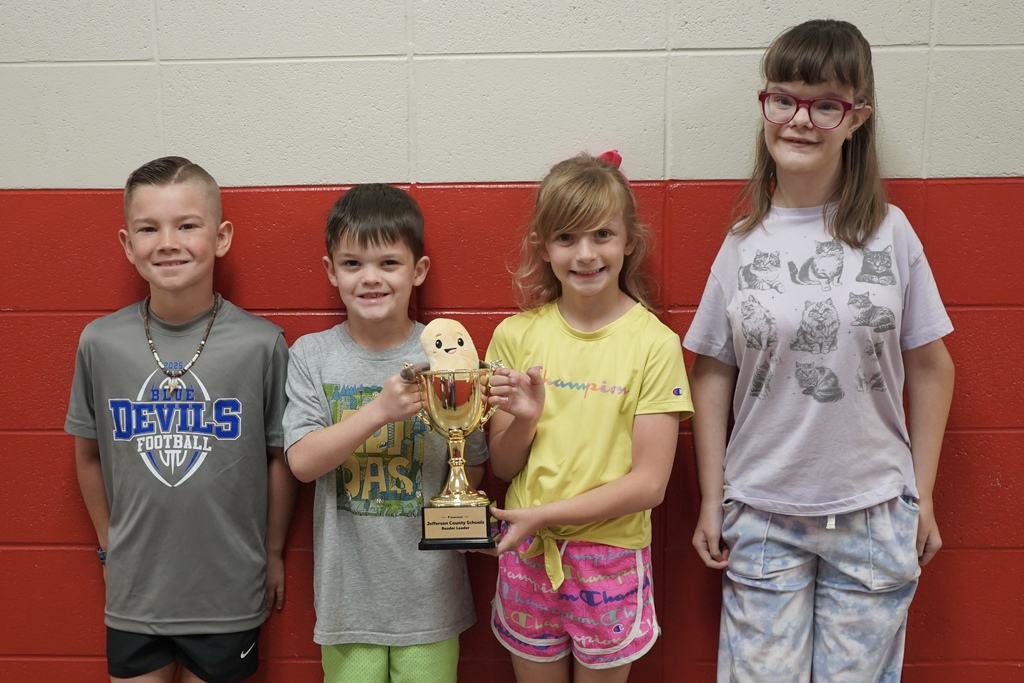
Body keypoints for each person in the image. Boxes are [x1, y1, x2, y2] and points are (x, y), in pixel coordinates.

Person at [683, 19, 956, 682]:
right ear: (766, 106)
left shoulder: (891, 234)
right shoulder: (743, 242)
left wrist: (920, 494)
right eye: (785, 98)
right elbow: (712, 371)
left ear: (856, 117)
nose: (800, 119)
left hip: (873, 515)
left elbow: (931, 365)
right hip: (763, 516)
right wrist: (711, 497)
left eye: (825, 103)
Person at [66, 156, 297, 683]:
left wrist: (274, 550)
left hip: (229, 590)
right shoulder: (100, 343)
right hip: (135, 593)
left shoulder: (262, 344)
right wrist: (111, 545)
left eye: (187, 225)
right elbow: (87, 453)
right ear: (128, 244)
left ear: (221, 237)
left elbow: (281, 458)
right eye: (149, 228)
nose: (168, 242)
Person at [484, 152, 693, 683]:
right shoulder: (516, 335)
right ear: (543, 246)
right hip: (528, 550)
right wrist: (526, 419)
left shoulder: (655, 344)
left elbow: (649, 484)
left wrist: (546, 515)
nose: (585, 254)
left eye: (601, 234)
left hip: (610, 556)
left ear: (628, 241)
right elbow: (505, 468)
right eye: (566, 238)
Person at [282, 183, 487, 683]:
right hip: (348, 602)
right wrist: (377, 410)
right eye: (352, 264)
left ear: (418, 270)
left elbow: (475, 461)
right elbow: (302, 462)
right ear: (331, 271)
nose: (370, 278)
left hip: (430, 599)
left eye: (388, 264)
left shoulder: (450, 356)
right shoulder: (311, 355)